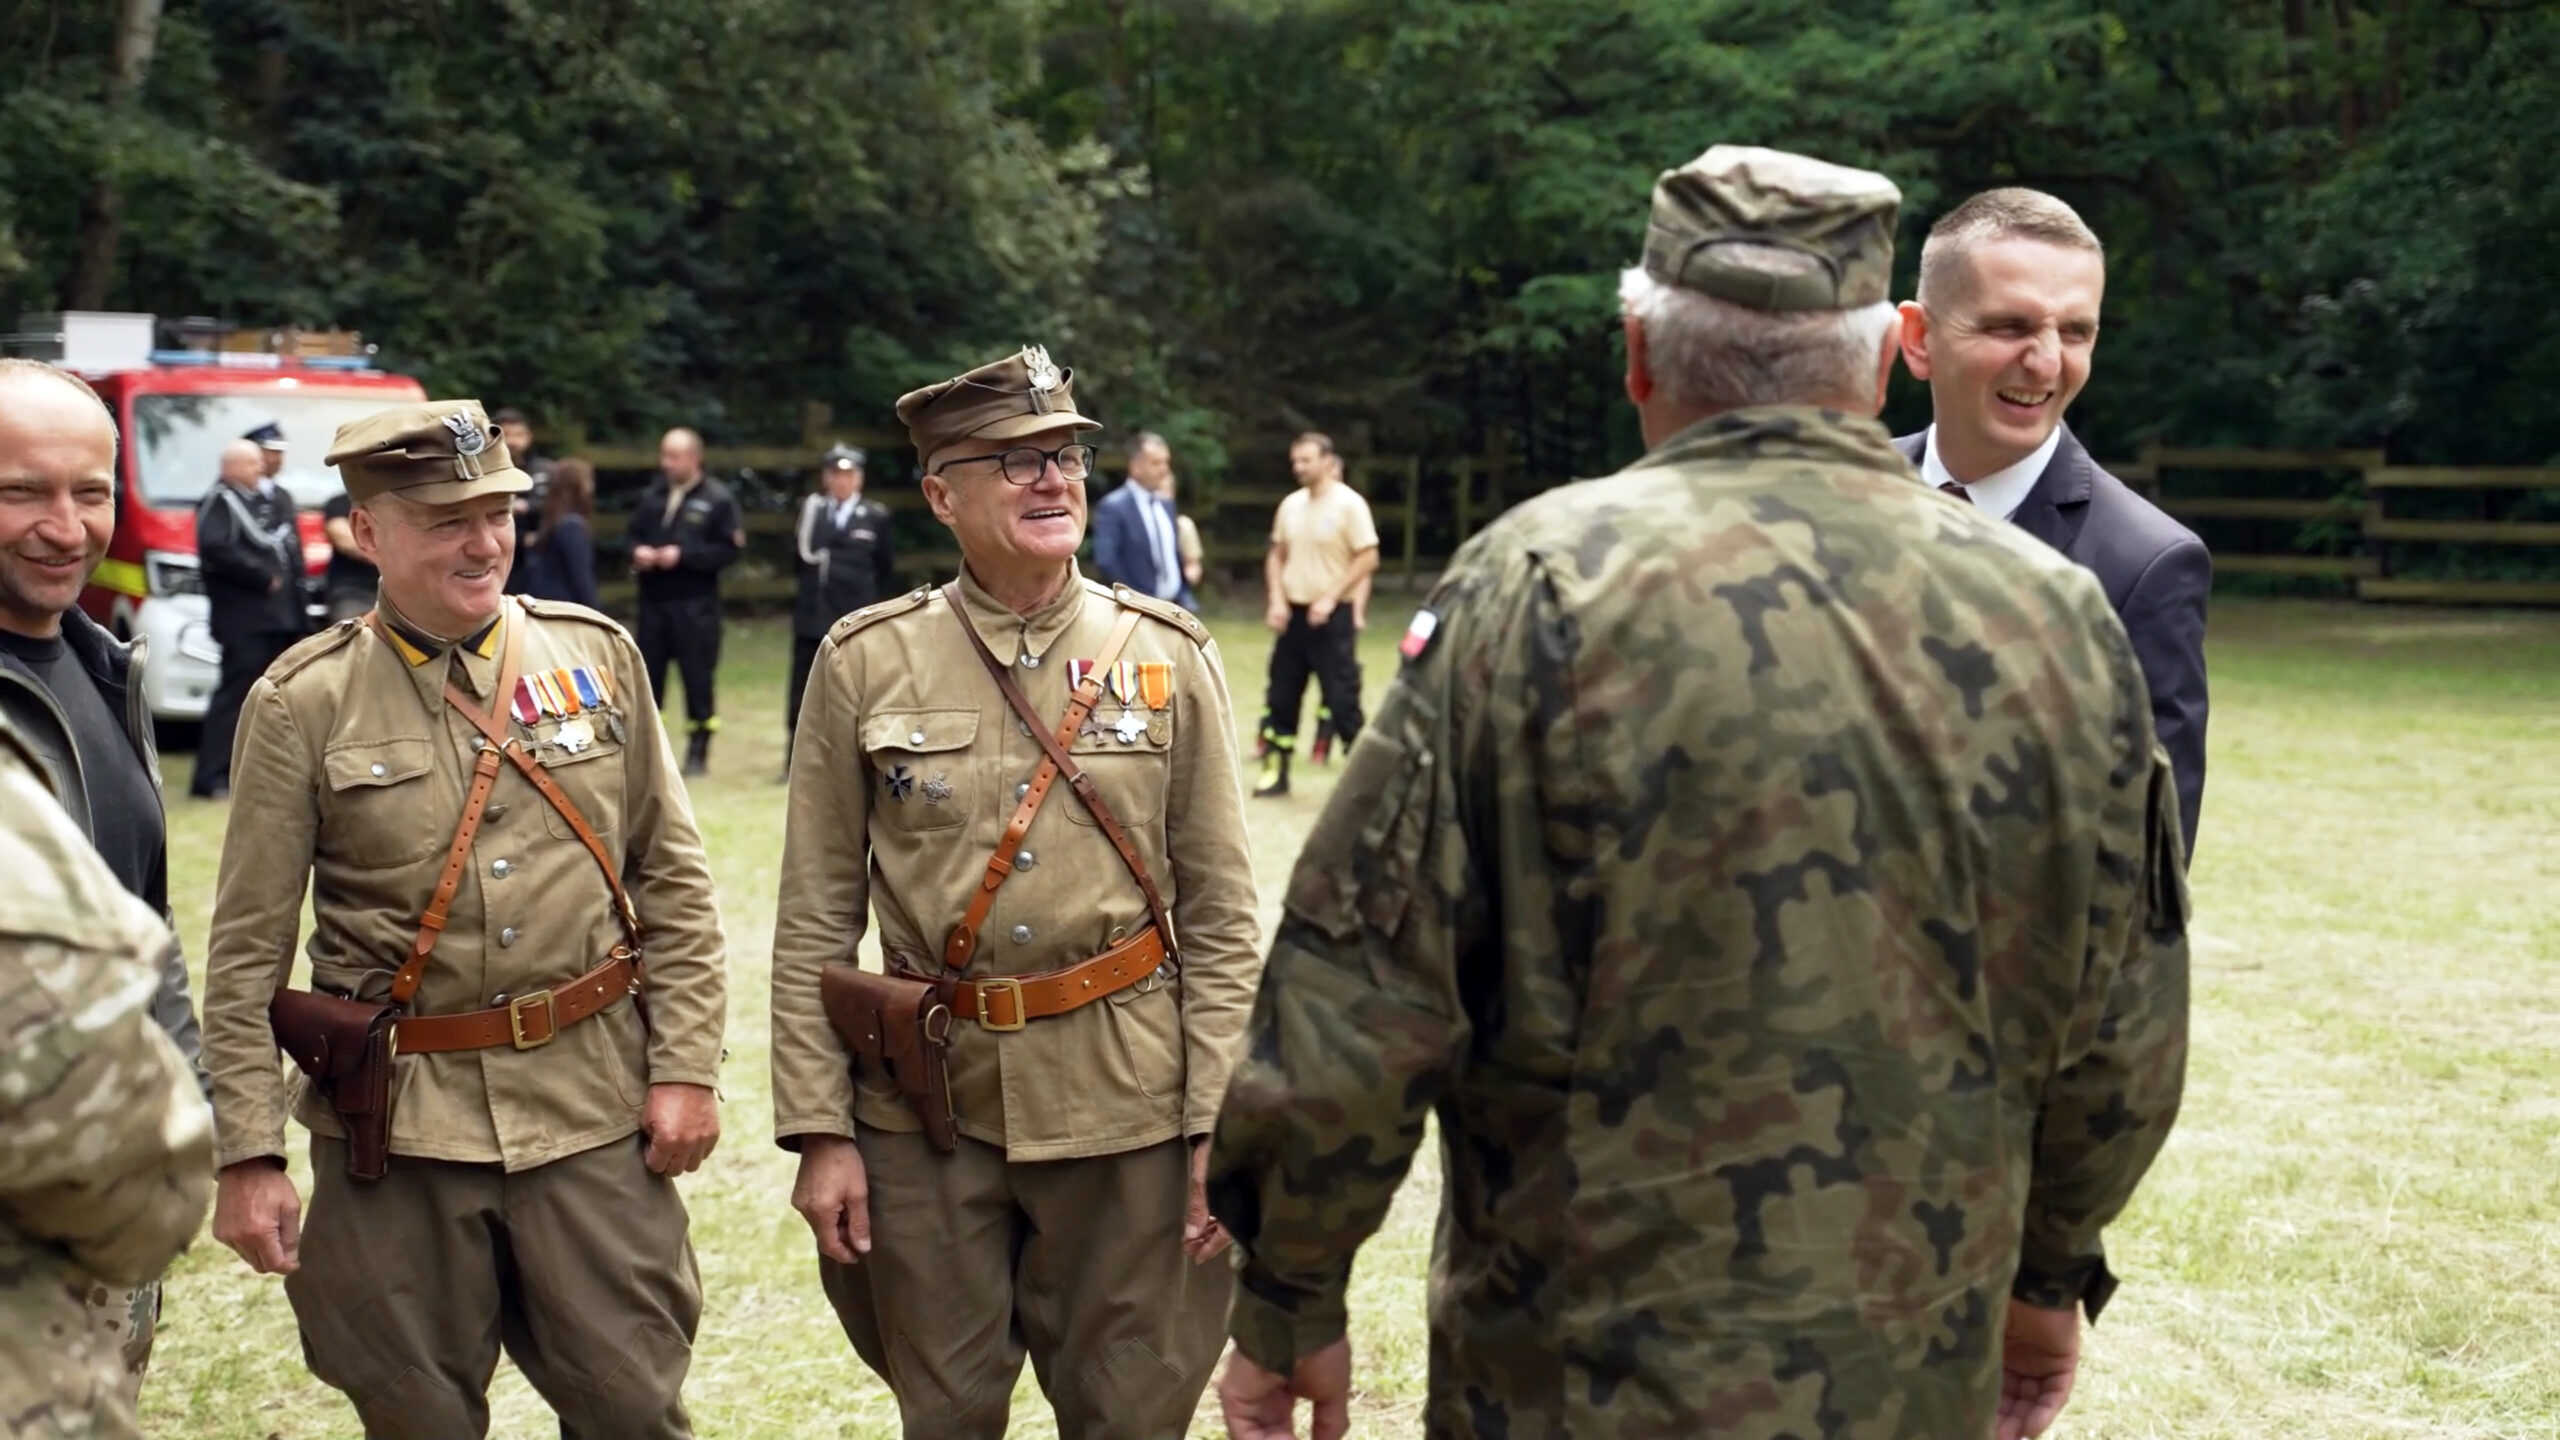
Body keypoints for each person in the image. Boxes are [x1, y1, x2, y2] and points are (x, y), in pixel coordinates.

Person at [1206, 145, 2192, 1440]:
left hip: (1571, 1368)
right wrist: (2049, 1273)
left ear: (1637, 354)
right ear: (1880, 358)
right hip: (1910, 1357)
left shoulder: (1534, 588)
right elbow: (2122, 1021)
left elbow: (1359, 991)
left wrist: (1290, 1298)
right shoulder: (2054, 619)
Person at [199, 399, 730, 1440]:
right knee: (417, 1417)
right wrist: (248, 1154)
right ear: (369, 532)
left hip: (589, 1109)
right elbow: (247, 952)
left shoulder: (598, 659)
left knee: (633, 1407)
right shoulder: (302, 701)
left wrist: (685, 1069)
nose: (483, 543)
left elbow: (674, 881)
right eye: (447, 521)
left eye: (497, 514)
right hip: (396, 1134)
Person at [770, 345, 1261, 1440]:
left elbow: (1224, 916)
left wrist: (1215, 1120)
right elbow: (812, 918)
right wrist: (819, 1130)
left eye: (1065, 457)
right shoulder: (864, 660)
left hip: (1128, 1102)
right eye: (1014, 460)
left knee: (1132, 1414)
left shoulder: (1168, 654)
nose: (1052, 480)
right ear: (941, 495)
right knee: (945, 1414)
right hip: (926, 1110)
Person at [0, 356, 209, 1411]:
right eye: (20, 492)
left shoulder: (101, 668)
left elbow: (145, 925)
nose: (64, 526)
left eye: (89, 492)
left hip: (99, 1229)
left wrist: (189, 1111)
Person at [1895, 188, 2211, 854]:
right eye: (2010, 327)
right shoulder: (1840, 494)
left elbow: (2147, 857)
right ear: (1919, 340)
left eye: (2075, 332)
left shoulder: (2144, 565)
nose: (2045, 362)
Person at [0, 717, 214, 1440]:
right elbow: (123, 1172)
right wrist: (165, 1161)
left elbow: (153, 909)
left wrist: (194, 1080)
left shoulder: (107, 677)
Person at [1253, 432, 1377, 797]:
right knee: (1281, 694)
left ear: (1327, 460)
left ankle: (1362, 780)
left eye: (1306, 460)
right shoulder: (1290, 505)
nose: (1299, 467)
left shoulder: (1349, 505)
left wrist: (1332, 597)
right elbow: (1276, 555)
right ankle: (1275, 771)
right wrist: (1277, 600)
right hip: (1293, 615)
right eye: (1295, 461)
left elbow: (1368, 556)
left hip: (1331, 617)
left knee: (1341, 697)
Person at [191, 435, 308, 799]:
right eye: (254, 462)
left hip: (278, 619)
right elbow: (215, 547)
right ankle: (210, 777)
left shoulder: (265, 500)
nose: (262, 467)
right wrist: (261, 575)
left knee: (273, 699)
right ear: (233, 467)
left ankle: (259, 773)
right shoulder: (220, 501)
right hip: (244, 621)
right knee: (234, 696)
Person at [627, 426, 742, 776]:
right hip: (653, 604)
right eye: (664, 455)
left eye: (674, 457)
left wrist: (685, 556)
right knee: (649, 679)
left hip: (695, 606)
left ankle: (698, 750)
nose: (667, 463)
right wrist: (637, 551)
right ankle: (650, 752)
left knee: (697, 680)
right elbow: (630, 536)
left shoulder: (718, 499)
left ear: (694, 458)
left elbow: (729, 550)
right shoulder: (652, 496)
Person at [787, 444, 894, 756]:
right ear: (826, 478)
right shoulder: (811, 513)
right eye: (835, 474)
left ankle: (857, 753)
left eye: (848, 474)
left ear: (859, 478)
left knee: (857, 687)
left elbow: (885, 568)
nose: (841, 481)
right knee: (803, 687)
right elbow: (796, 560)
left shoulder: (874, 516)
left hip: (854, 616)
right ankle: (795, 754)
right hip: (813, 614)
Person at [1091, 430, 1194, 609]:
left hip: (1175, 606)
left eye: (1166, 462)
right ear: (1135, 467)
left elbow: (1172, 554)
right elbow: (1106, 561)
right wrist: (1135, 599)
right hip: (1139, 607)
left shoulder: (1166, 505)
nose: (1164, 470)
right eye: (1156, 463)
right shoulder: (1114, 507)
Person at [520, 456, 602, 609]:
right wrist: (598, 613)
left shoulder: (551, 523)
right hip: (567, 607)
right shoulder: (572, 527)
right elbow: (581, 578)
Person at [495, 407, 555, 596]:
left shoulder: (544, 470)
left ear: (529, 437)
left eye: (519, 435)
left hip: (537, 553)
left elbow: (554, 506)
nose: (513, 442)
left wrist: (528, 507)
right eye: (507, 435)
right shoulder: (487, 472)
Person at [320, 489, 379, 621]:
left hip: (401, 591)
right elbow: (344, 539)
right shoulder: (340, 503)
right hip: (354, 591)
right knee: (355, 628)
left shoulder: (400, 502)